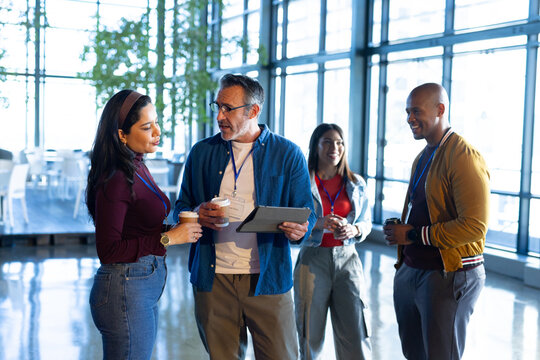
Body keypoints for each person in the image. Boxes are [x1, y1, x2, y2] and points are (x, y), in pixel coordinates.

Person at [174, 73, 317, 360]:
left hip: (268, 280)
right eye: (217, 107)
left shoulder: (288, 153)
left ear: (253, 111)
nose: (220, 116)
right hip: (213, 280)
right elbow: (180, 205)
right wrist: (196, 213)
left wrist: (301, 229)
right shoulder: (202, 152)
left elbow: (307, 213)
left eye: (228, 108)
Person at [86, 89, 202, 359]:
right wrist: (169, 239)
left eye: (157, 123)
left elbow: (135, 226)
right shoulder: (116, 176)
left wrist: (173, 231)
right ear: (122, 135)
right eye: (147, 127)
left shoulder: (136, 164)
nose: (157, 132)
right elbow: (108, 250)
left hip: (140, 282)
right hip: (126, 285)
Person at [383, 83, 490, 360]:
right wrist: (402, 233)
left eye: (416, 111)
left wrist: (416, 235)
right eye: (407, 112)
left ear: (440, 109)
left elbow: (475, 226)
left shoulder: (463, 156)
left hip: (448, 274)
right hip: (412, 269)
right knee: (414, 353)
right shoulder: (423, 156)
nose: (409, 119)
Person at [294, 123, 372, 360]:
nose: (334, 147)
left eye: (339, 143)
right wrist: (319, 223)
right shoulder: (301, 183)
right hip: (312, 260)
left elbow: (366, 221)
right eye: (327, 141)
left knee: (356, 331)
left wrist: (354, 228)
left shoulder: (356, 183)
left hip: (348, 260)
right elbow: (290, 222)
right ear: (315, 146)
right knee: (310, 333)